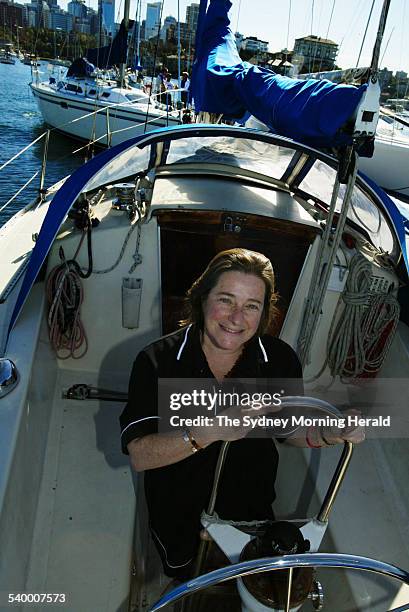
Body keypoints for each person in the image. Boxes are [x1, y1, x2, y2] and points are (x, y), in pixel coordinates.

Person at [119, 248, 364, 579]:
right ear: (202, 298)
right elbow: (139, 455)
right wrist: (211, 429)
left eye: (251, 306)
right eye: (226, 300)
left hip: (251, 512)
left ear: (264, 312)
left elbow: (287, 431)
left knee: (241, 577)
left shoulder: (279, 360)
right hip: (178, 512)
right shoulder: (156, 360)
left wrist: (328, 434)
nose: (237, 318)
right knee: (188, 576)